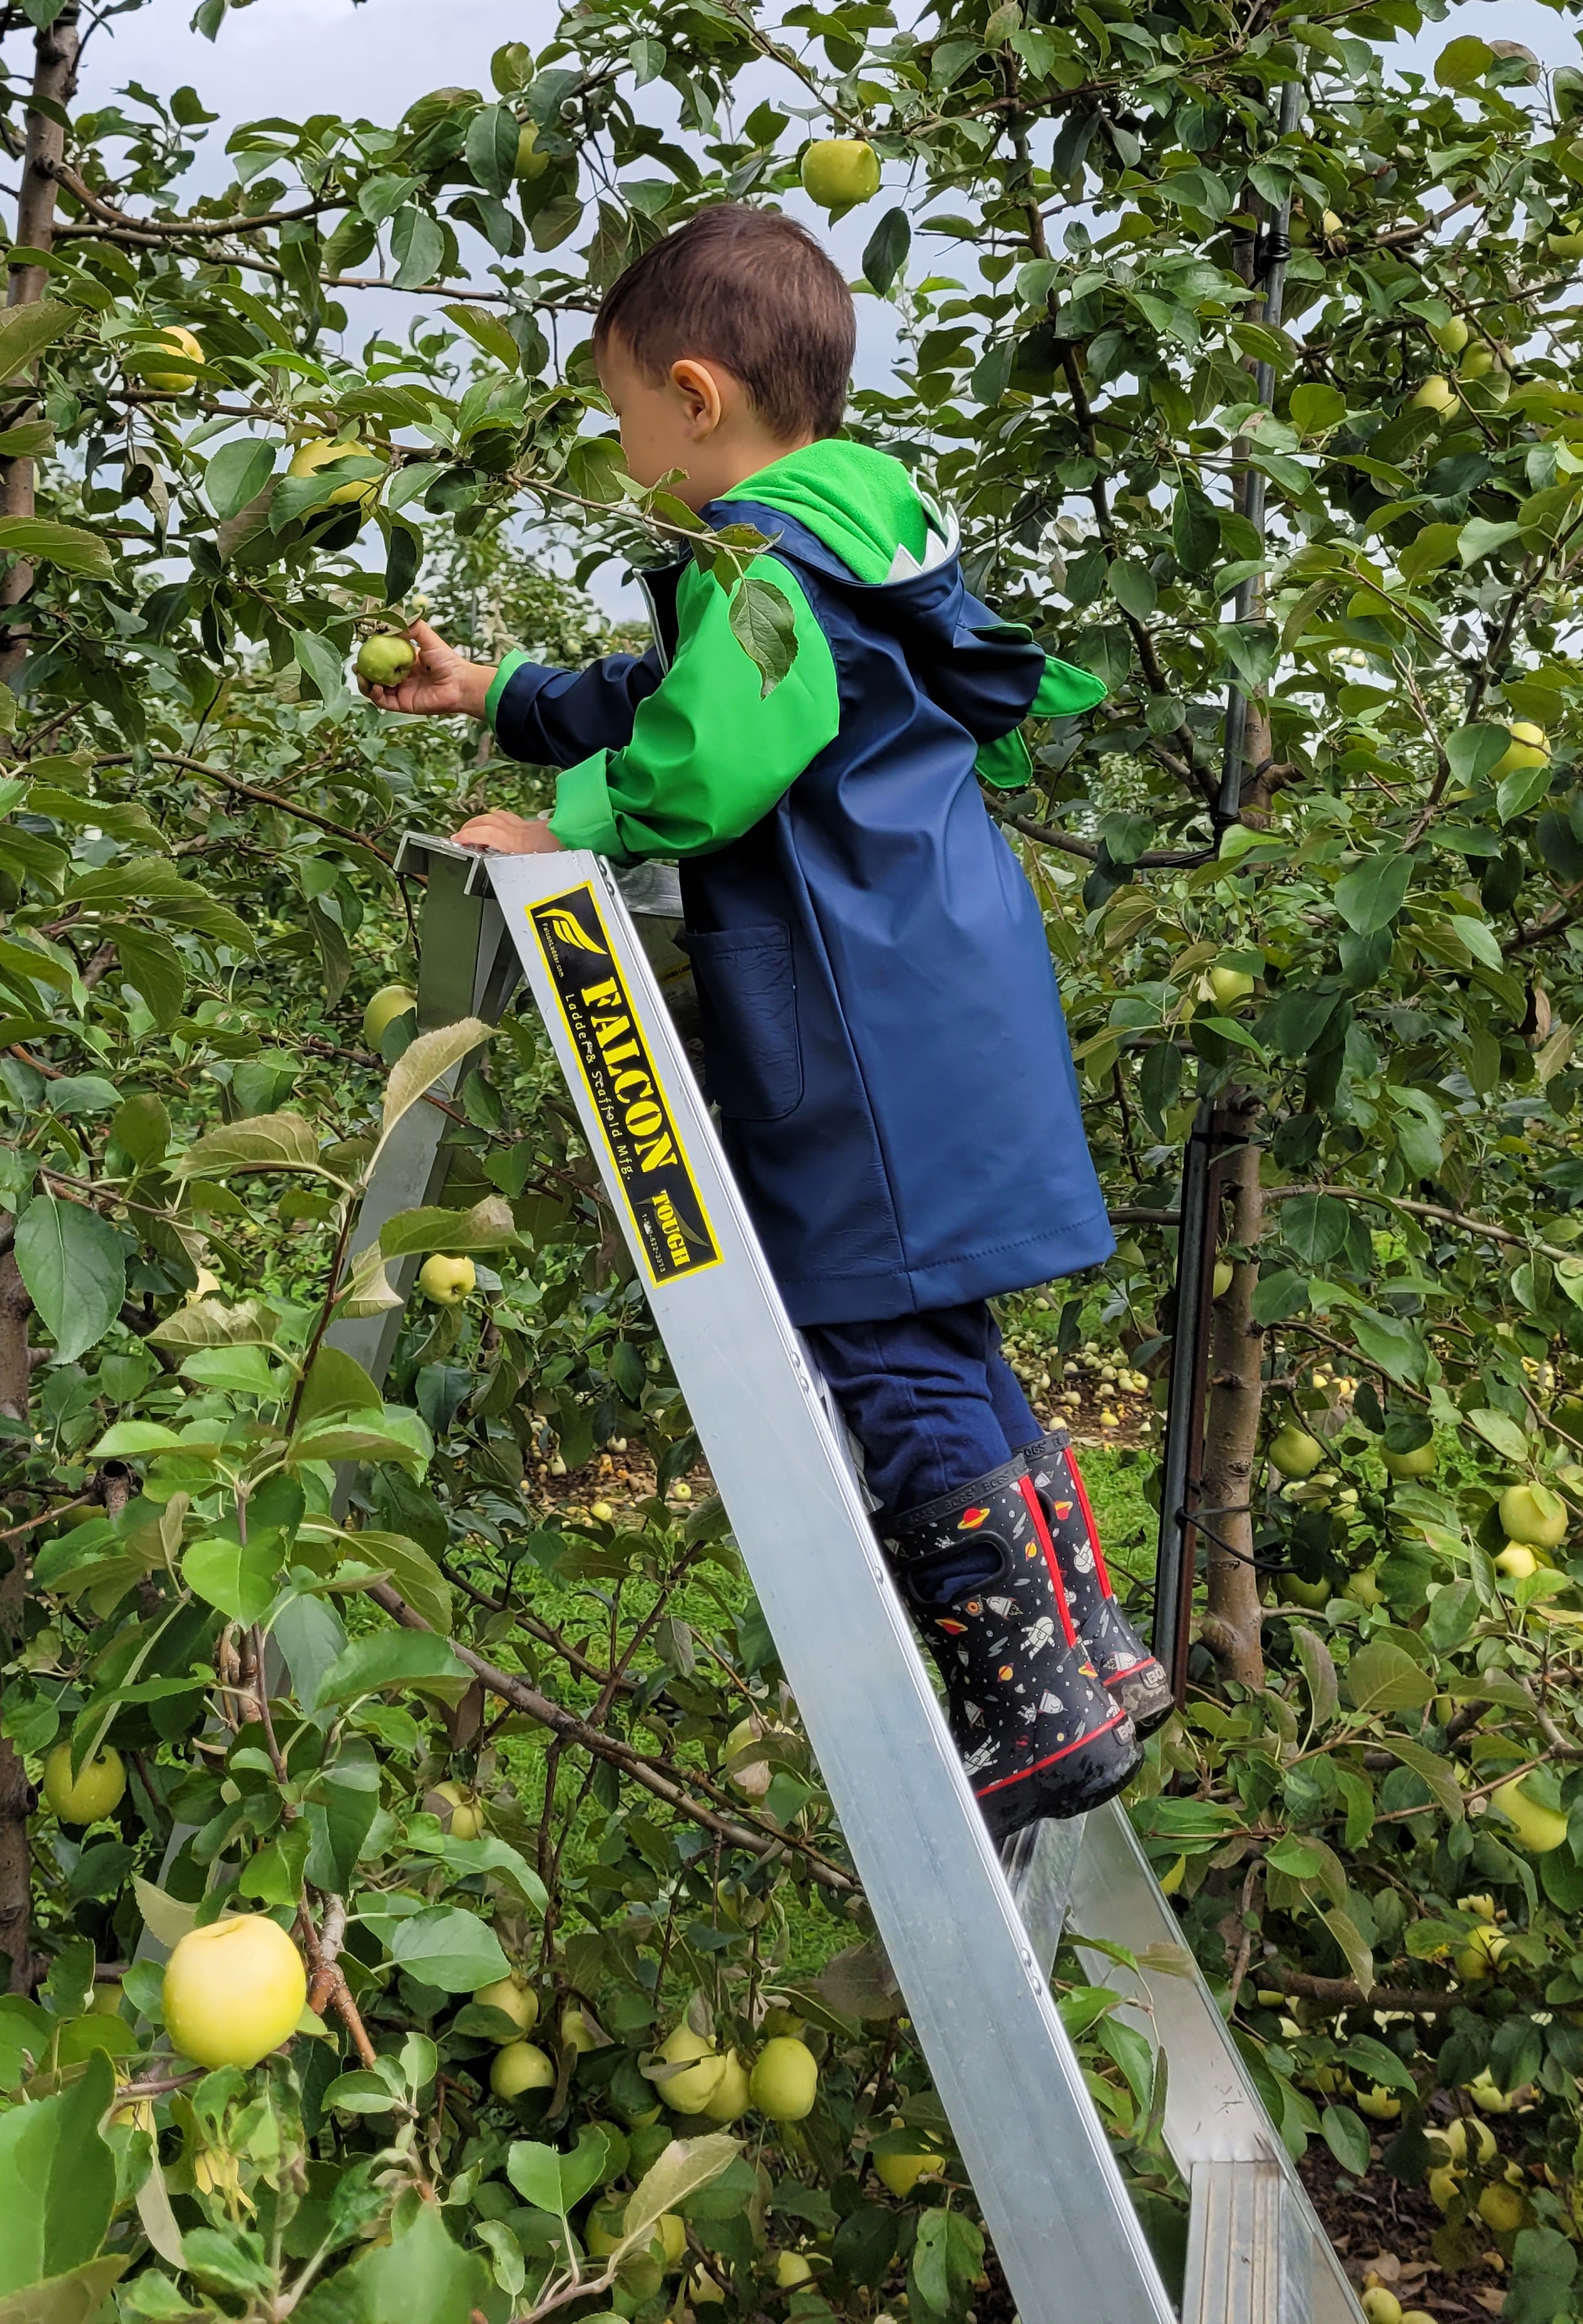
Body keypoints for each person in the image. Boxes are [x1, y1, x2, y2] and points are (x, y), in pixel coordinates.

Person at [361, 200, 1167, 1835]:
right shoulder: (847, 535)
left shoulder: (759, 558)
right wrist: (503, 692)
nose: (622, 460)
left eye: (624, 422)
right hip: (937, 1003)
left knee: (877, 1341)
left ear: (695, 396)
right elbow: (694, 692)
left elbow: (712, 754)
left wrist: (568, 820)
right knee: (938, 1335)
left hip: (857, 1030)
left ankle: (1027, 1708)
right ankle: (1088, 1653)